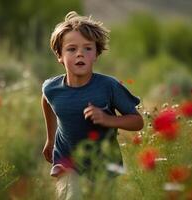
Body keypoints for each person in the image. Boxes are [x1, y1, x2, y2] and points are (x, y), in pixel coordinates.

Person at [41, 11, 144, 200]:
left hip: (104, 165)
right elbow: (46, 101)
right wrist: (50, 139)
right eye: (71, 49)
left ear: (96, 54)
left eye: (88, 48)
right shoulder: (52, 88)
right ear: (59, 55)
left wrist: (107, 119)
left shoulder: (109, 86)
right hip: (67, 162)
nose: (80, 53)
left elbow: (138, 122)